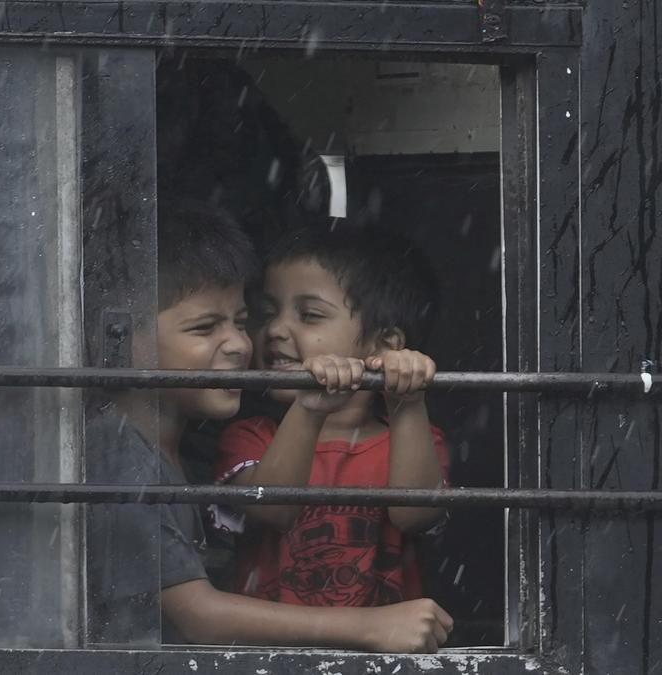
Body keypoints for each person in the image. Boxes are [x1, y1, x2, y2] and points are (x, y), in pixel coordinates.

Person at [87, 203, 453, 652]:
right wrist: (366, 627)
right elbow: (198, 614)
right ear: (120, 337)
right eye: (205, 328)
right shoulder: (122, 451)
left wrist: (407, 399)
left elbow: (416, 514)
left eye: (242, 322)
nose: (245, 343)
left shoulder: (183, 451)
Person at [214, 226, 450, 609]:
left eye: (309, 315)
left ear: (383, 344)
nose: (274, 330)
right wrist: (310, 407)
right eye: (267, 313)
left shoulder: (415, 438)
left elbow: (414, 515)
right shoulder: (249, 436)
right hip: (269, 657)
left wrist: (406, 399)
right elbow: (274, 509)